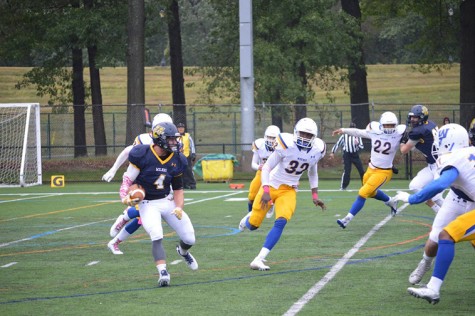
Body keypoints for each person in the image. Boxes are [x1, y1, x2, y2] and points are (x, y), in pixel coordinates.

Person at [391, 123, 475, 304]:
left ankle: (433, 289)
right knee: (438, 236)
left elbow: (439, 184)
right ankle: (429, 277)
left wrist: (411, 199)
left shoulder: (454, 158)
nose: (436, 145)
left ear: (448, 143)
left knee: (447, 235)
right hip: (459, 198)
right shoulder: (468, 152)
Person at [238, 118, 327, 271]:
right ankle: (247, 219)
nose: (305, 137)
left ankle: (259, 259)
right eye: (302, 133)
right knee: (253, 225)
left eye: (308, 135)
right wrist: (266, 191)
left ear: (314, 137)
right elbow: (266, 168)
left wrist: (314, 195)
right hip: (271, 185)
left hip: (289, 190)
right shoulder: (286, 145)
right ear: (296, 133)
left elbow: (313, 171)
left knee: (281, 221)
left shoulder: (317, 150)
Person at [119, 121, 198, 287]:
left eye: (175, 139)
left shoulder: (178, 160)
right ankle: (163, 271)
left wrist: (178, 207)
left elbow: (178, 189)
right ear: (160, 139)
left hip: (166, 200)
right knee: (157, 235)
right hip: (148, 202)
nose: (175, 142)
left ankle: (182, 251)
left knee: (190, 238)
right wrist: (125, 197)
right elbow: (128, 180)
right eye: (170, 139)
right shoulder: (142, 154)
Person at [106, 113, 173, 255]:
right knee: (144, 214)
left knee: (143, 218)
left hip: (158, 182)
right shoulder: (143, 139)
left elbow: (171, 166)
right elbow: (127, 152)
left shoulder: (171, 142)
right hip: (141, 180)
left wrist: (171, 187)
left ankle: (116, 240)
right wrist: (113, 169)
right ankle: (122, 221)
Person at [333, 112, 405, 229]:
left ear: (395, 125)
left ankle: (347, 219)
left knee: (363, 192)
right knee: (370, 192)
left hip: (384, 172)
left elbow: (413, 137)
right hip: (371, 168)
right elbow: (358, 132)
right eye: (387, 125)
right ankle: (391, 201)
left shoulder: (399, 134)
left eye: (391, 125)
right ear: (381, 125)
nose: (389, 128)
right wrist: (343, 130)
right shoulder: (375, 131)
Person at [400, 104, 444, 214]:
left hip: (441, 165)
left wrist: (402, 141)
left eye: (416, 117)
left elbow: (403, 150)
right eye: (412, 117)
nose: (412, 119)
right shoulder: (431, 124)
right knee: (414, 186)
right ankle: (438, 211)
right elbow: (422, 143)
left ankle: (455, 216)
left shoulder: (419, 131)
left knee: (437, 197)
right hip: (433, 164)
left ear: (422, 117)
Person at [246, 125, 280, 218]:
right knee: (251, 196)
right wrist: (259, 167)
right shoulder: (259, 144)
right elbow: (253, 164)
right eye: (269, 137)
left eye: (273, 138)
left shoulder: (281, 147)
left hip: (275, 174)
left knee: (274, 193)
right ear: (265, 136)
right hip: (261, 173)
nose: (271, 140)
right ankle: (250, 215)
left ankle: (271, 204)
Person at [329, 122, 365, 190]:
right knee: (347, 171)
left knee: (361, 170)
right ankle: (343, 187)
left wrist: (357, 144)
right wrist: (332, 152)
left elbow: (362, 147)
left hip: (355, 155)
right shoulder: (344, 136)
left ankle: (365, 185)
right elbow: (338, 144)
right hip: (347, 155)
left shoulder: (358, 136)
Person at [176, 122, 197, 190]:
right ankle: (183, 184)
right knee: (179, 170)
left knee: (188, 170)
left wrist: (193, 153)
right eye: (179, 128)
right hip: (178, 155)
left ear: (184, 129)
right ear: (177, 129)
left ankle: (192, 184)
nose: (181, 129)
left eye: (182, 128)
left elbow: (192, 145)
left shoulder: (188, 136)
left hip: (186, 155)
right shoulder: (175, 136)